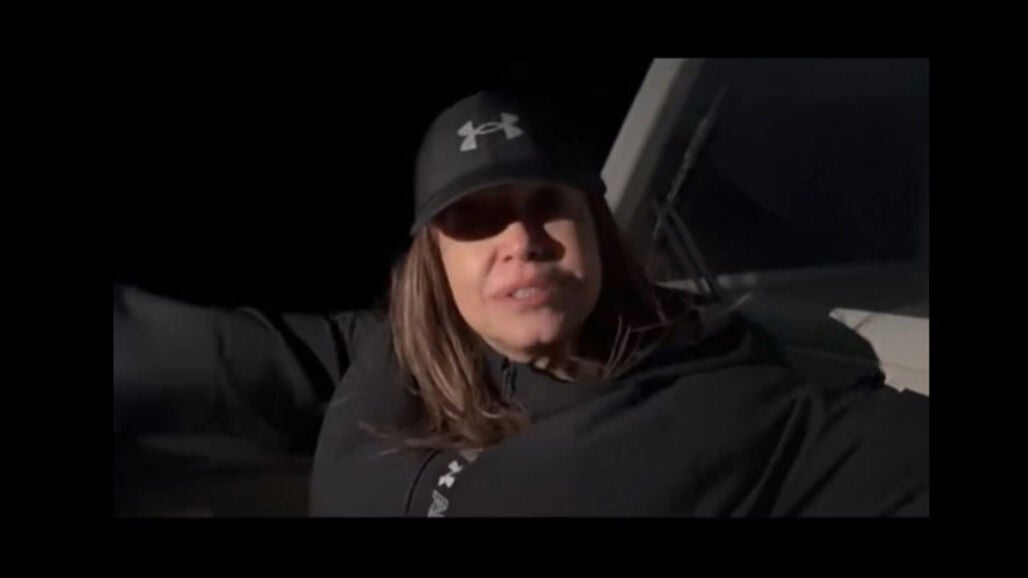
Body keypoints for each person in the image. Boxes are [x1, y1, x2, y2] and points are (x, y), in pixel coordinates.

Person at [113, 91, 929, 517]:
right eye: (475, 216)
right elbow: (215, 356)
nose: (523, 239)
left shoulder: (731, 411)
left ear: (594, 229)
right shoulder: (397, 356)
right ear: (434, 258)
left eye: (548, 204)